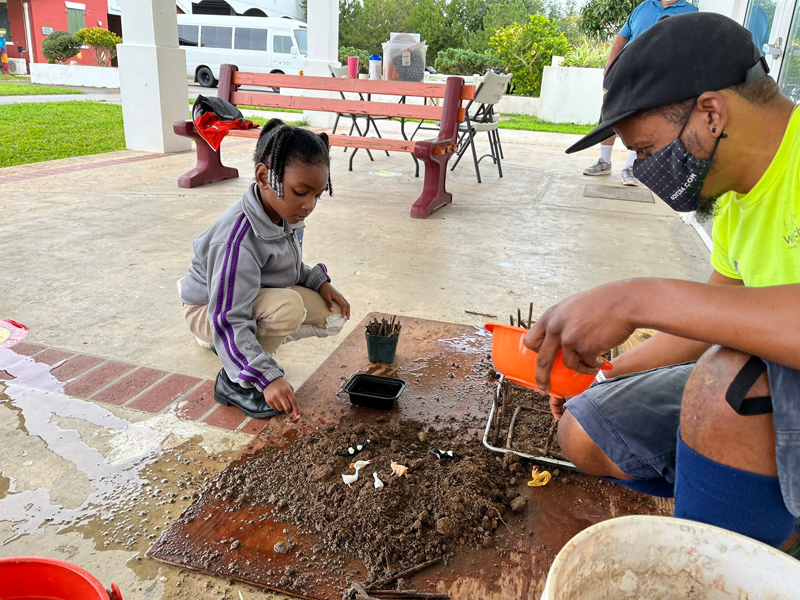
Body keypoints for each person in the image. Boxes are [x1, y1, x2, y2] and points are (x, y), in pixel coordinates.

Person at [529, 13, 800, 553]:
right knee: (586, 430)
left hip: (754, 385)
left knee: (725, 383)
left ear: (711, 113)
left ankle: (742, 557)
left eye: (647, 151)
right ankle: (742, 495)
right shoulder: (736, 198)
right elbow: (711, 316)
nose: (642, 168)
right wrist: (604, 375)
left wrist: (635, 299)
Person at [179, 119, 350, 421]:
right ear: (263, 177)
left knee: (332, 315)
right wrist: (266, 377)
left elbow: (286, 266)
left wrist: (317, 282)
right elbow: (228, 317)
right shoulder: (236, 240)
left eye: (317, 195)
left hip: (246, 294)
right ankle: (235, 380)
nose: (309, 205)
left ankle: (240, 352)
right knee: (287, 308)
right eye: (301, 192)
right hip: (211, 309)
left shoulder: (284, 212)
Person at [583, 0, 697, 186]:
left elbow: (690, 48)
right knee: (609, 114)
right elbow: (623, 36)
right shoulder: (644, 6)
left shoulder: (691, 12)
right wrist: (611, 63)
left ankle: (631, 167)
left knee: (642, 119)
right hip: (625, 69)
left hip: (657, 76)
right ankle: (604, 162)